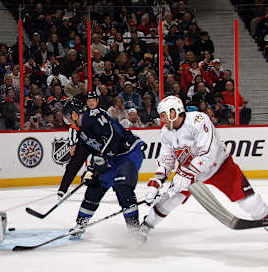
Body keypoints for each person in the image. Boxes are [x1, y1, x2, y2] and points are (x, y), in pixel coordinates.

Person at [139, 96, 268, 241]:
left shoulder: (198, 121)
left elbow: (208, 154)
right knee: (168, 201)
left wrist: (185, 174)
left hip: (220, 167)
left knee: (250, 202)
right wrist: (156, 182)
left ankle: (266, 219)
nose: (161, 118)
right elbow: (166, 159)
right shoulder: (166, 132)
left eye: (163, 114)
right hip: (191, 174)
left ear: (173, 112)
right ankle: (144, 228)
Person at [62, 91, 146, 238]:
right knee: (95, 187)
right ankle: (80, 224)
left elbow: (114, 135)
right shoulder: (82, 133)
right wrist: (91, 170)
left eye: (70, 115)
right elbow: (90, 153)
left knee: (122, 188)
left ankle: (134, 230)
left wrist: (103, 159)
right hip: (112, 158)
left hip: (128, 151)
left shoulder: (93, 117)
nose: (68, 119)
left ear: (75, 114)